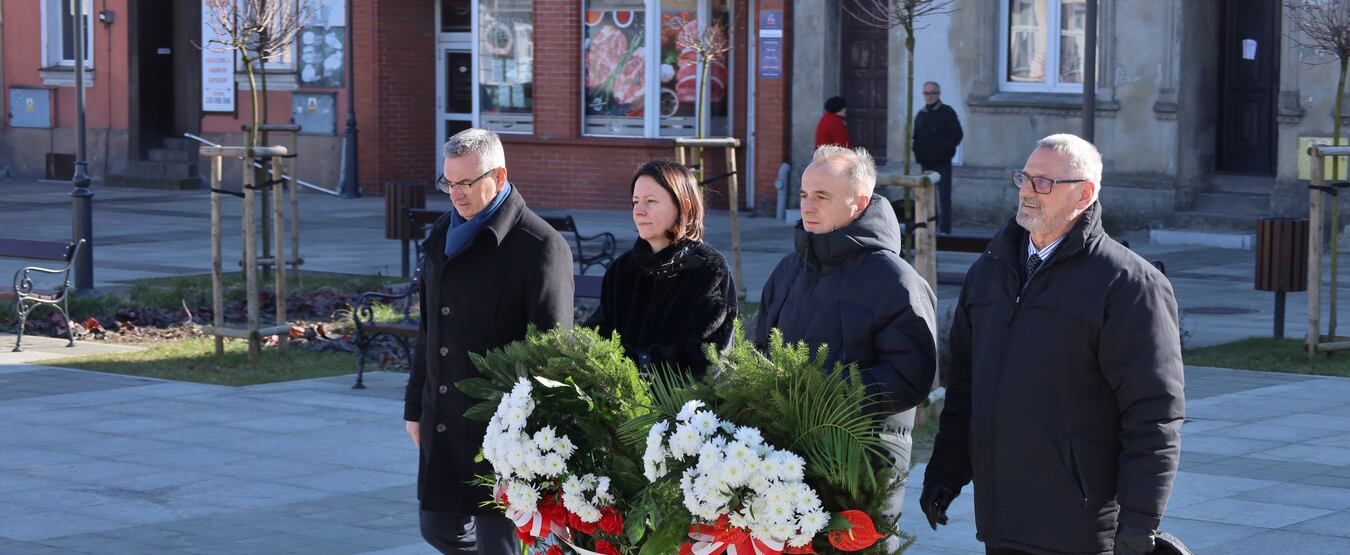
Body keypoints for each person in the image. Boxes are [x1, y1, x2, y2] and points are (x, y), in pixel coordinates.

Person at [920, 134, 1185, 555]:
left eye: (1043, 183)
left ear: (1084, 193)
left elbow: (1153, 415)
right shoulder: (990, 271)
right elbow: (967, 385)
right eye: (1024, 178)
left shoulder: (1128, 284)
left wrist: (1140, 522)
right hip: (1001, 517)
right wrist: (947, 470)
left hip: (1078, 525)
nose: (1026, 190)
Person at [404, 128, 574, 554]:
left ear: (498, 178)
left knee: (499, 543)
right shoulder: (443, 233)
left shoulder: (540, 247)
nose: (455, 194)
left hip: (499, 430)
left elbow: (552, 354)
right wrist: (414, 407)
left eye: (466, 183)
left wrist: (536, 432)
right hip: (443, 414)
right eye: (448, 182)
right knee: (436, 527)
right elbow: (429, 328)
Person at [755, 145, 938, 510]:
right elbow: (760, 353)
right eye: (804, 194)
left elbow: (910, 377)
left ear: (859, 202)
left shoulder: (894, 280)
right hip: (784, 464)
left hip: (862, 467)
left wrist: (820, 395)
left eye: (822, 196)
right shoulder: (788, 271)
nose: (807, 205)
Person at [586, 160, 736, 376]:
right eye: (635, 201)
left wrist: (638, 363)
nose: (638, 210)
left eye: (651, 201)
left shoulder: (709, 269)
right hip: (617, 402)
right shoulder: (622, 270)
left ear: (683, 205)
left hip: (681, 405)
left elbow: (704, 357)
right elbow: (598, 334)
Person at [911, 81, 963, 234]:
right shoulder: (921, 114)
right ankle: (929, 228)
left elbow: (957, 134)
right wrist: (918, 153)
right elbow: (916, 137)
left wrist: (944, 150)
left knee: (944, 197)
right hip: (925, 162)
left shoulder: (947, 112)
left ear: (938, 94)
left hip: (942, 162)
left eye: (932, 93)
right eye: (926, 93)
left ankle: (945, 230)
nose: (929, 96)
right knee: (927, 197)